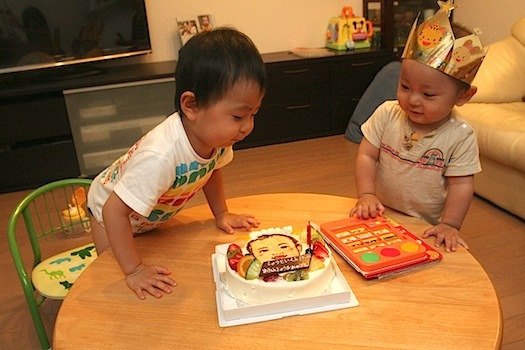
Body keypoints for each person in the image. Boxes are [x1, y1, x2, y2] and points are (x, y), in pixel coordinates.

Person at [87, 28, 267, 299]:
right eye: (238, 116)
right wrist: (134, 269)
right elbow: (114, 211)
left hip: (147, 218)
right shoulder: (161, 156)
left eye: (253, 114)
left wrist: (221, 213)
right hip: (108, 215)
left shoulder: (216, 139)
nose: (247, 127)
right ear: (192, 105)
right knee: (121, 285)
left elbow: (212, 170)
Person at [349, 0, 485, 253]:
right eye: (405, 86)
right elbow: (367, 155)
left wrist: (451, 224)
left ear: (463, 96)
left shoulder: (460, 135)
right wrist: (366, 194)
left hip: (426, 225)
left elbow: (461, 184)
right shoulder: (387, 113)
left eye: (429, 95)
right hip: (381, 212)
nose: (412, 100)